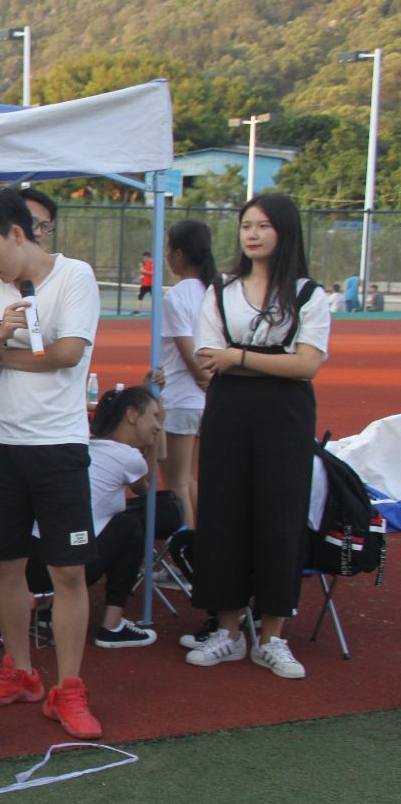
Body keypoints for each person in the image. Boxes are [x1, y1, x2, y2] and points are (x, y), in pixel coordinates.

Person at [0, 188, 104, 739]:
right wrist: (1, 332)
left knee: (69, 571)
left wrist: (3, 350)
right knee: (5, 564)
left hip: (59, 445)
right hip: (1, 442)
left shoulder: (75, 276)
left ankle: (69, 687)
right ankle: (20, 672)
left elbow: (69, 353)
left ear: (18, 234)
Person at [185, 193, 330, 679]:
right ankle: (227, 632)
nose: (252, 234)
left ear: (284, 232)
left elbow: (307, 365)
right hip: (229, 411)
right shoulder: (221, 291)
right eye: (247, 225)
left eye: (263, 225)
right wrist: (270, 361)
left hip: (285, 415)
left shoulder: (308, 294)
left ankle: (272, 637)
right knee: (223, 514)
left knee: (280, 517)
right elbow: (209, 358)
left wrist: (240, 357)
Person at [79, 384, 169, 648]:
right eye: (154, 417)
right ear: (132, 415)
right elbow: (145, 488)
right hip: (74, 565)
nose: (158, 426)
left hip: (40, 559)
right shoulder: (127, 457)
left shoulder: (87, 445)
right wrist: (152, 446)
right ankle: (112, 623)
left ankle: (50, 610)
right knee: (131, 526)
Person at [158, 220, 216, 529]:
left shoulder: (176, 296)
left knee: (175, 481)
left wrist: (202, 377)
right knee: (188, 478)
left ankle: (186, 549)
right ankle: (201, 543)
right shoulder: (214, 291)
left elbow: (187, 349)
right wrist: (211, 383)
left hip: (181, 397)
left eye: (168, 249)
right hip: (203, 399)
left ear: (179, 254)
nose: (167, 256)